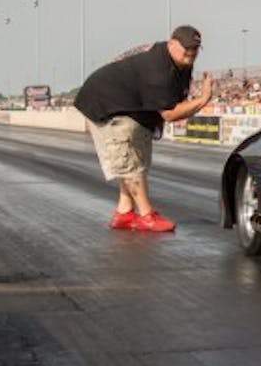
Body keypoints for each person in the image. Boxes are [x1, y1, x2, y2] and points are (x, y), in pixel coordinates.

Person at [74, 26, 212, 232]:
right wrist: (203, 99)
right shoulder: (158, 71)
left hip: (130, 104)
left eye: (196, 48)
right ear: (172, 44)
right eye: (187, 48)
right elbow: (169, 113)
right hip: (108, 104)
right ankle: (146, 215)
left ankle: (124, 211)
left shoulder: (180, 62)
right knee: (129, 160)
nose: (191, 53)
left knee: (137, 155)